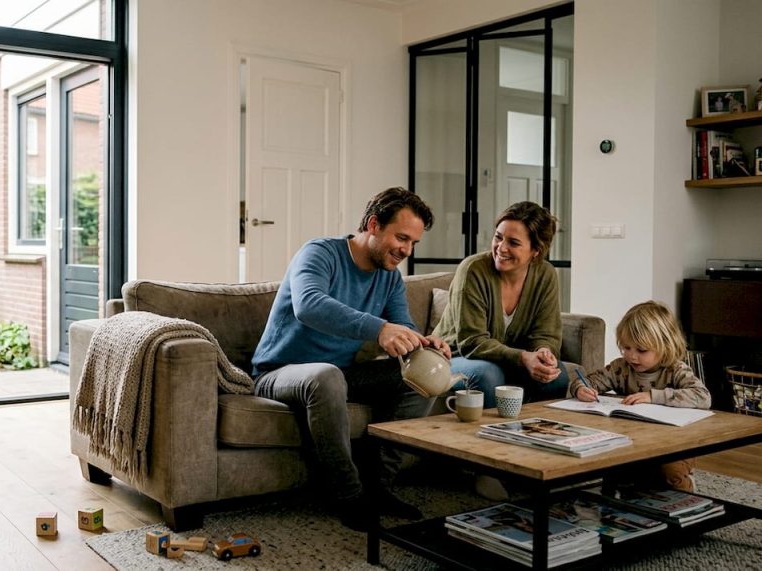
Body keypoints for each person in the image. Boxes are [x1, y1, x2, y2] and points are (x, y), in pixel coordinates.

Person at [251, 186, 450, 531]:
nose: (406, 250)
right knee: (327, 376)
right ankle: (348, 494)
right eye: (401, 237)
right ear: (373, 225)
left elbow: (401, 325)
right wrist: (379, 329)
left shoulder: (389, 278)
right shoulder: (319, 254)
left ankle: (380, 487)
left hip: (341, 374)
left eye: (413, 243)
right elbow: (309, 305)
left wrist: (422, 343)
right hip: (279, 373)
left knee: (424, 374)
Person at [433, 201, 570, 409]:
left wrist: (544, 353)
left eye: (513, 243)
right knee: (488, 375)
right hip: (454, 357)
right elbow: (472, 342)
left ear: (536, 250)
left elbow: (546, 334)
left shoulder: (546, 274)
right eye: (498, 237)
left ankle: (538, 435)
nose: (501, 248)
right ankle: (485, 440)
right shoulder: (473, 270)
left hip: (505, 360)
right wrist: (523, 357)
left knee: (556, 376)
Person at [571, 301, 710, 492]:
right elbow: (588, 381)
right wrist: (581, 389)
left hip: (676, 444)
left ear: (665, 345)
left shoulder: (675, 369)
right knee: (616, 470)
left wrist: (653, 396)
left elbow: (702, 396)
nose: (632, 356)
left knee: (672, 473)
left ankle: (688, 493)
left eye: (641, 350)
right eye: (626, 348)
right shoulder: (621, 368)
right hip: (633, 442)